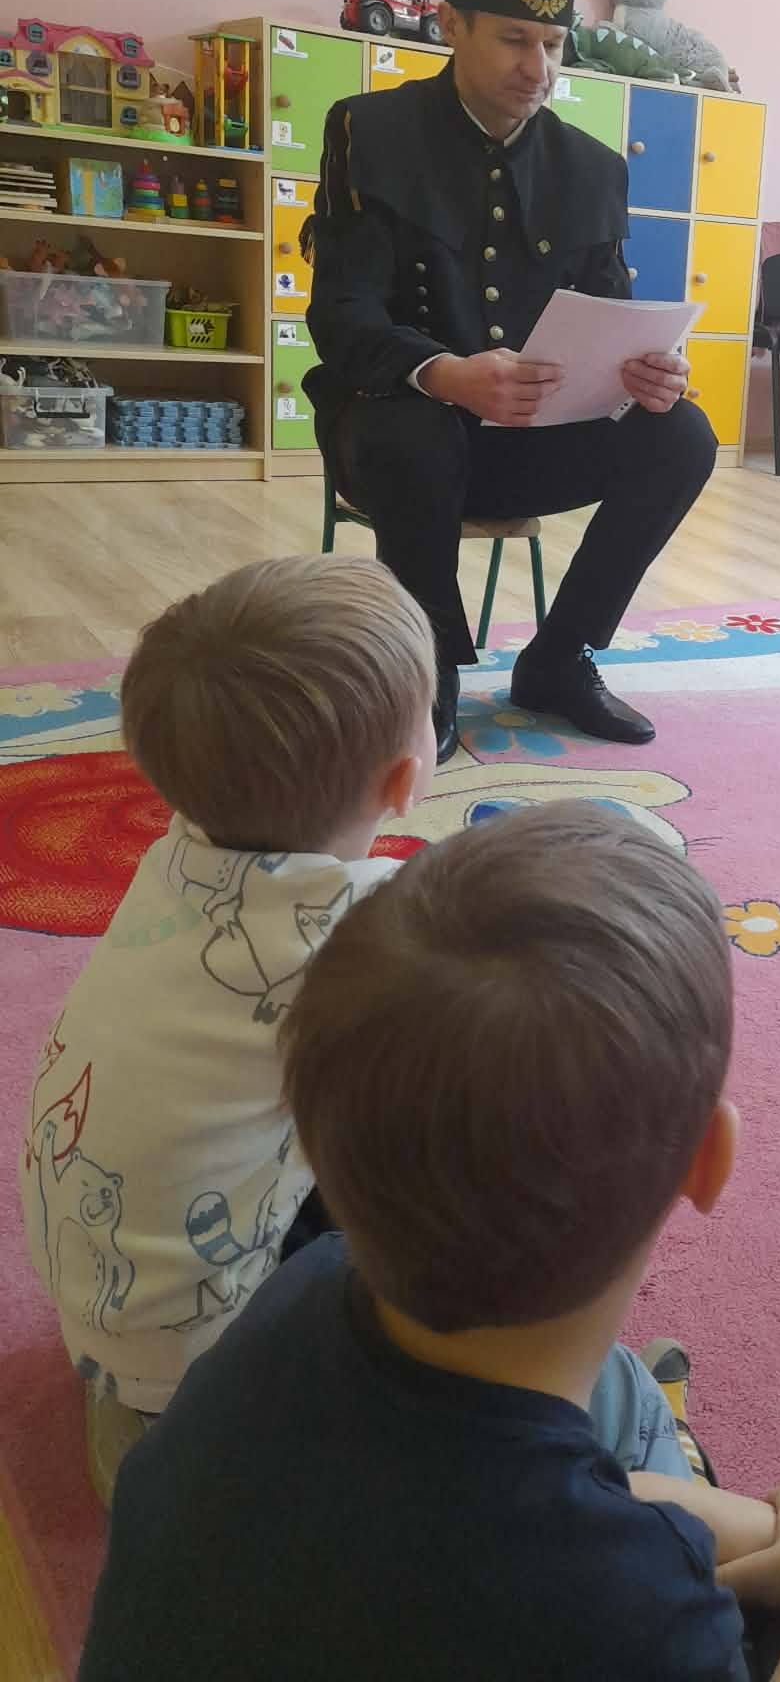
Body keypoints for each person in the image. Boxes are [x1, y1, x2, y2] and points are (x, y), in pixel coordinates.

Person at [78, 806, 780, 1682]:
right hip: (541, 1597)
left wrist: (750, 1531)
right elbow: (622, 1590)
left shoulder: (302, 1284)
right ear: (708, 1160)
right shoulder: (635, 1616)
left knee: (612, 1386)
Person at [303, 0, 716, 766]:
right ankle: (429, 672)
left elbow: (613, 317)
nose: (538, 69)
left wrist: (648, 372)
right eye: (513, 41)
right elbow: (341, 320)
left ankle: (561, 657)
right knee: (414, 435)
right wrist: (447, 373)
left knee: (682, 435)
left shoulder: (592, 169)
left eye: (554, 44)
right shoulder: (370, 132)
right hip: (400, 431)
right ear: (452, 24)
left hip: (530, 438)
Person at [16, 557, 437, 1503]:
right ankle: (203, 1440)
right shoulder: (365, 934)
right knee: (447, 1165)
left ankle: (151, 1406)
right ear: (406, 778)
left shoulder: (180, 854)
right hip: (199, 1349)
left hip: (97, 1286)